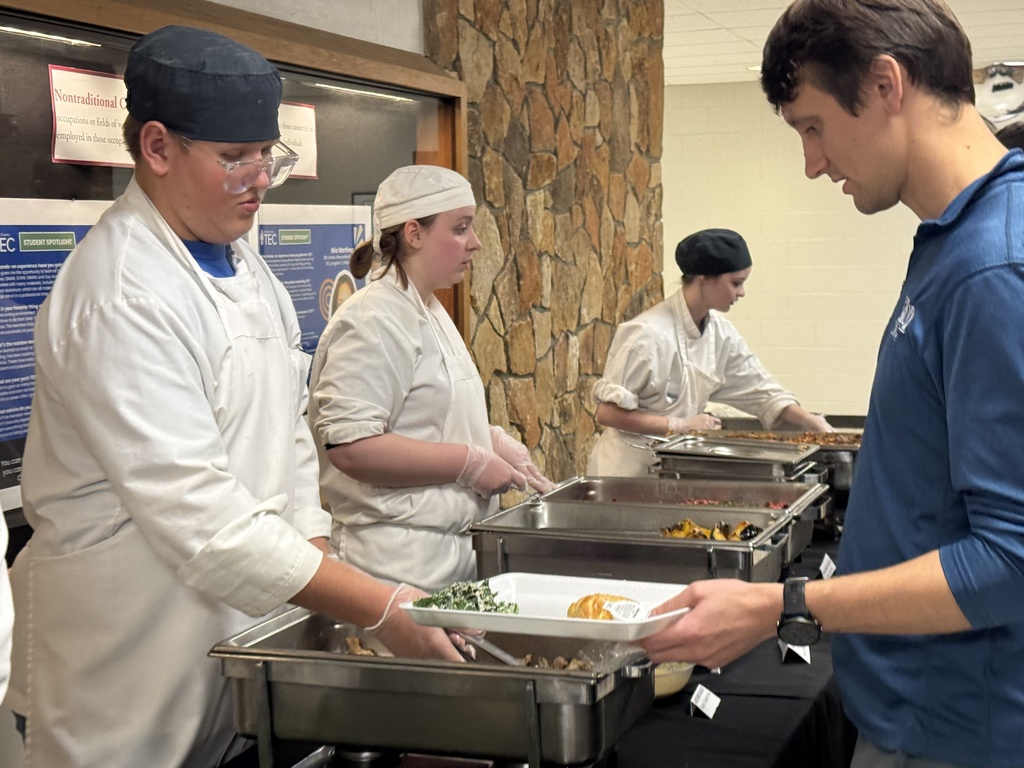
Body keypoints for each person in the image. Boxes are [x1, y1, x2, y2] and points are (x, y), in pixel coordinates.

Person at [4, 26, 464, 768]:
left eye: (266, 156)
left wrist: (320, 579)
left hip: (232, 647)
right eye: (233, 159)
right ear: (157, 148)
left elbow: (287, 440)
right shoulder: (121, 293)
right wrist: (377, 605)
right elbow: (204, 522)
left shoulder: (246, 268)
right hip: (121, 676)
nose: (259, 179)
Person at [640, 2, 1024, 766]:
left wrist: (785, 605)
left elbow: (1011, 561)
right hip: (911, 705)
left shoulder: (994, 269)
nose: (813, 162)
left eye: (812, 127)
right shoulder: (953, 240)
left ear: (886, 85)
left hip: (956, 728)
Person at [308, 165, 555, 592]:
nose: (475, 243)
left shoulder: (430, 310)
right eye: (460, 229)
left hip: (447, 559)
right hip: (392, 567)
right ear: (413, 234)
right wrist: (468, 463)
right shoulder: (372, 318)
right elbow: (351, 447)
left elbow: (427, 416)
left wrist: (489, 439)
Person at [587, 227, 832, 477]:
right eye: (736, 283)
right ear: (705, 278)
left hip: (670, 469)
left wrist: (811, 422)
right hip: (624, 472)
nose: (742, 292)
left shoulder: (721, 335)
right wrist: (679, 425)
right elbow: (607, 413)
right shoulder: (647, 335)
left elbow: (761, 391)